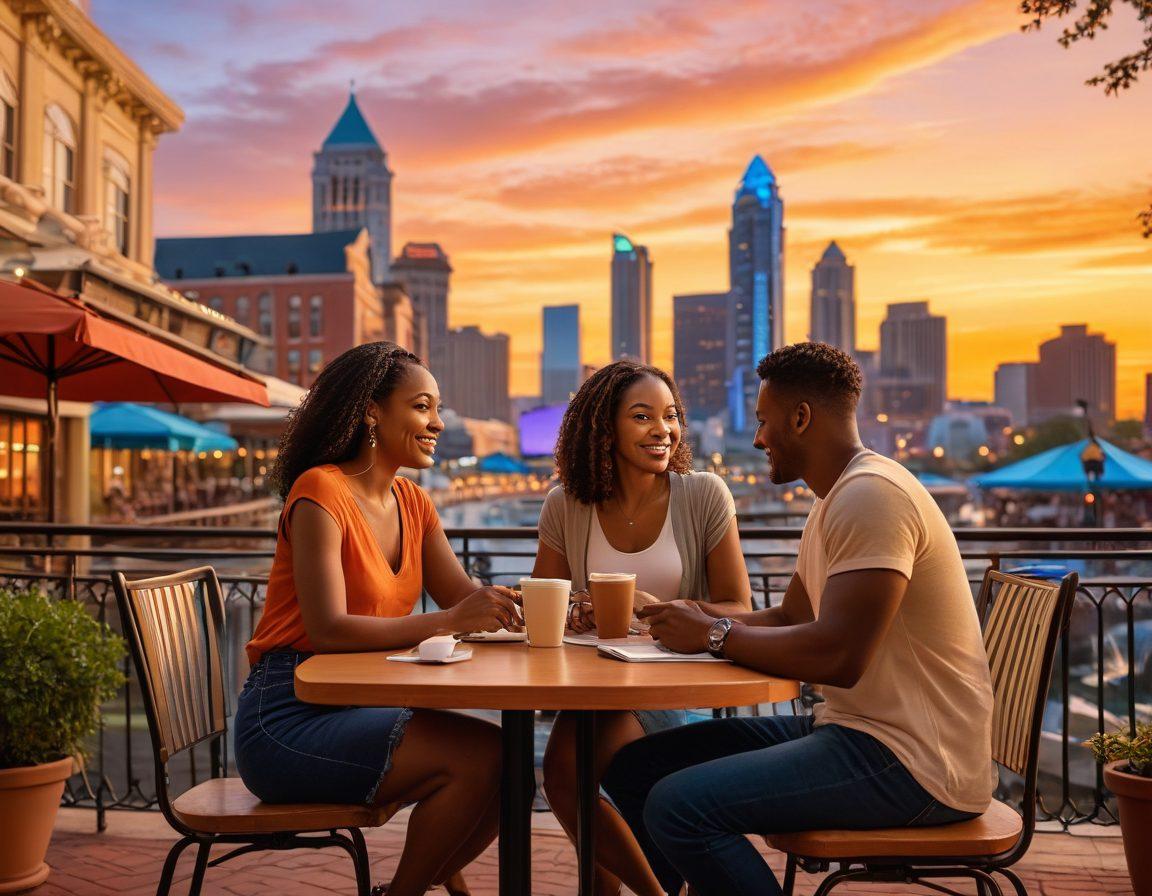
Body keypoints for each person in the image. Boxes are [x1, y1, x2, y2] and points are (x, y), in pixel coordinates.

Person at [602, 343, 996, 896]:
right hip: (856, 731)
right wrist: (690, 615)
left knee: (678, 807)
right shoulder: (835, 498)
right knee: (636, 768)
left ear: (801, 417)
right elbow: (791, 615)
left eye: (764, 422)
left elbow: (839, 656)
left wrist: (714, 635)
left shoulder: (872, 497)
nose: (758, 439)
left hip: (916, 763)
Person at [234, 342, 521, 896]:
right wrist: (448, 620)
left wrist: (547, 607)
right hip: (287, 717)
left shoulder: (413, 502)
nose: (438, 423)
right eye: (421, 407)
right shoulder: (320, 490)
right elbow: (328, 629)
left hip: (359, 705)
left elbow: (465, 597)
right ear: (371, 411)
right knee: (484, 758)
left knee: (504, 763)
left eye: (437, 408)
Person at [532, 360, 752, 896]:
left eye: (670, 416)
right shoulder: (566, 503)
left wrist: (660, 608)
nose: (663, 430)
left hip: (677, 683)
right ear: (603, 428)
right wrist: (576, 610)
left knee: (567, 773)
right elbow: (546, 602)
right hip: (596, 684)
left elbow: (740, 607)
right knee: (565, 777)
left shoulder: (703, 494)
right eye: (642, 416)